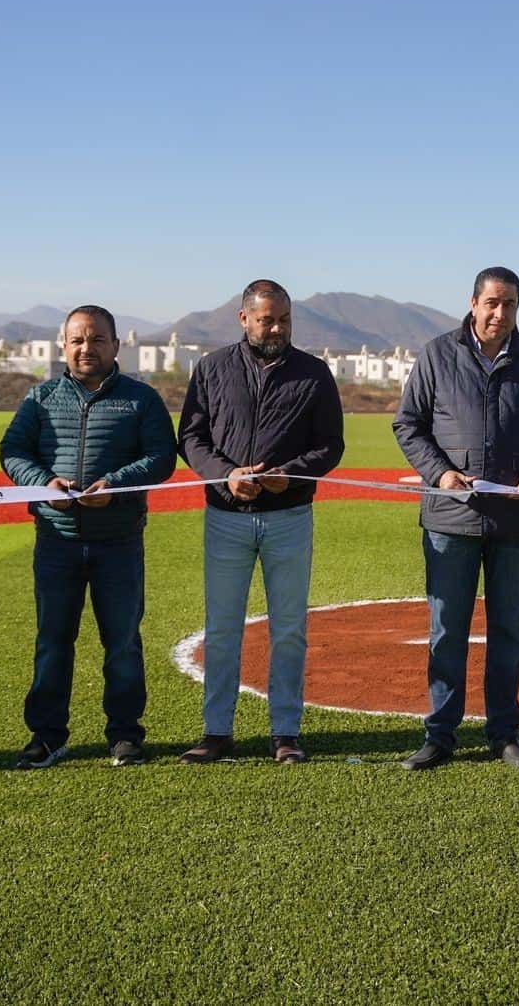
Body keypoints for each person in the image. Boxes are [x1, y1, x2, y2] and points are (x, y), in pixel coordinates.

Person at [392, 266, 519, 770]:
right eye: (492, 302)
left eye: (510, 304)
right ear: (473, 302)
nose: (500, 313)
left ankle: (504, 733)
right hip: (450, 519)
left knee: (509, 630)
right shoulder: (436, 355)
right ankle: (440, 734)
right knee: (447, 629)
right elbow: (408, 424)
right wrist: (440, 473)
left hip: (514, 521)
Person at [0, 306, 177, 769]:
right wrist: (44, 484)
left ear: (116, 346)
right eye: (78, 340)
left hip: (118, 541)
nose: (87, 348)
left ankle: (124, 735)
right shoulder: (40, 398)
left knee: (121, 641)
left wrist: (115, 486)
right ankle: (47, 736)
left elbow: (161, 456)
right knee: (53, 641)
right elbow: (12, 451)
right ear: (64, 345)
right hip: (55, 541)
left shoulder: (141, 399)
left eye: (97, 339)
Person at [177, 279, 345, 764]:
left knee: (289, 628)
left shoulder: (314, 373)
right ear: (244, 318)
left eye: (285, 319)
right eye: (267, 318)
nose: (276, 327)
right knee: (223, 627)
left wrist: (291, 476)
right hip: (225, 519)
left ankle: (286, 733)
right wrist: (225, 475)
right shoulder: (211, 369)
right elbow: (191, 438)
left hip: (289, 518)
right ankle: (217, 732)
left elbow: (330, 445)